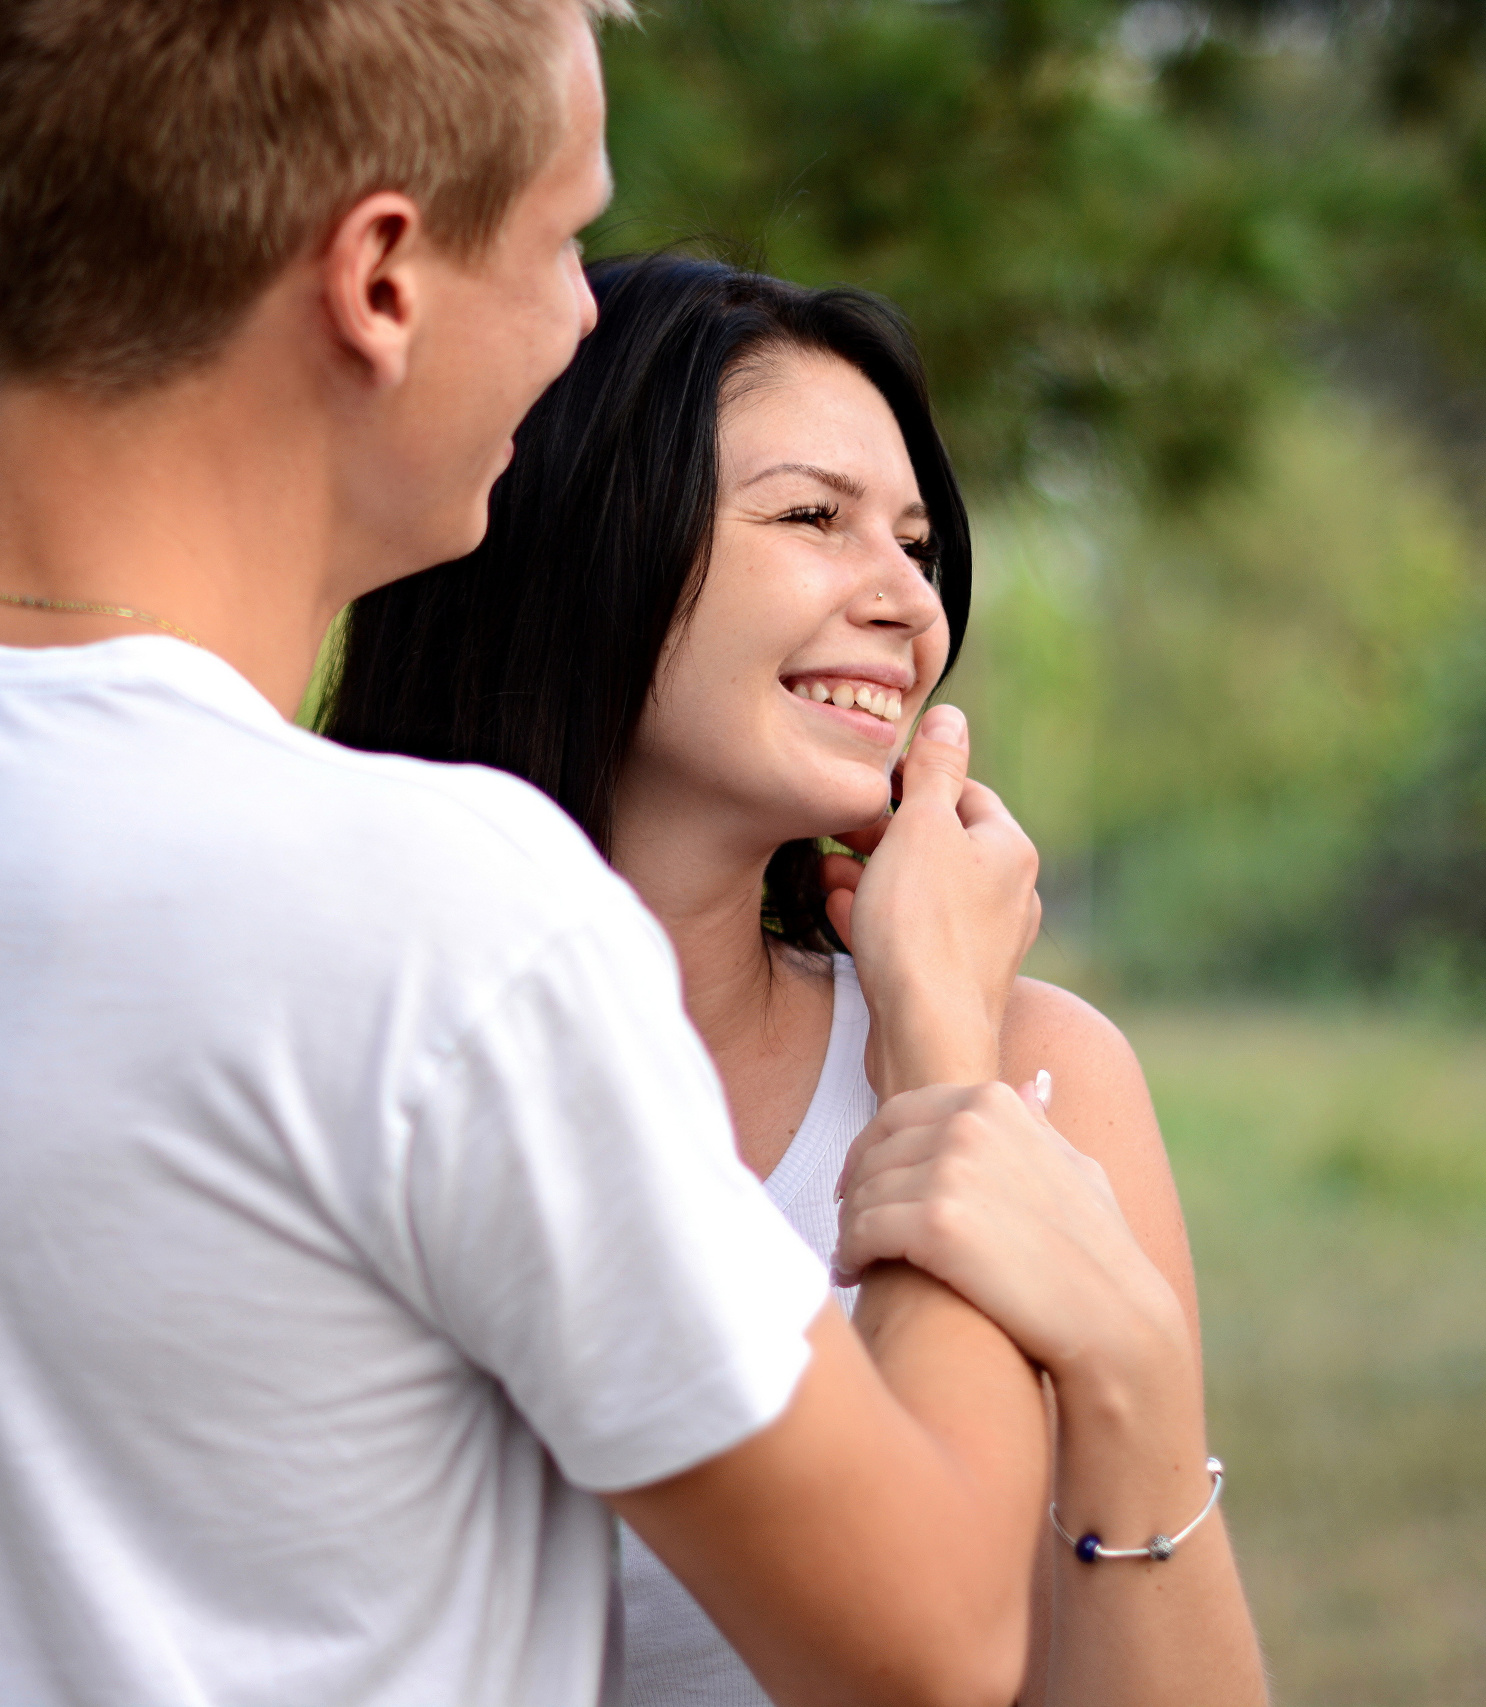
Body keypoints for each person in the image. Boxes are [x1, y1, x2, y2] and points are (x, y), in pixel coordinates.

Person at [0, 4, 1057, 1704]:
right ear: (381, 279)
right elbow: (935, 1641)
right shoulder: (443, 913)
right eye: (560, 240)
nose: (579, 319)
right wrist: (948, 1056)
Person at [322, 253, 1267, 1704]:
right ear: (578, 549)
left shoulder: (1050, 1074)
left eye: (917, 543)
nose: (908, 604)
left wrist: (1128, 1368)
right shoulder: (329, 1038)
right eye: (813, 519)